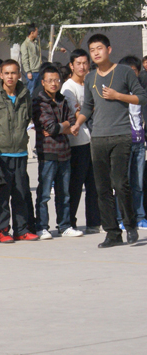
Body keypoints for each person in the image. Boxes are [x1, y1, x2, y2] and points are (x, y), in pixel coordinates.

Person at [70, 34, 146, 247]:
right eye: (92, 49)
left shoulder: (124, 72)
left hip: (121, 135)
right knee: (102, 188)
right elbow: (88, 106)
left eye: (99, 48)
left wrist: (118, 96)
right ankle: (112, 233)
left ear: (109, 50)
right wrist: (78, 123)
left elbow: (142, 97)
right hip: (98, 137)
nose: (96, 53)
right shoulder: (90, 77)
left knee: (120, 184)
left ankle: (130, 225)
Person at [0, 59, 39, 243]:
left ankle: (21, 230)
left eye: (13, 73)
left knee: (21, 194)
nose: (10, 77)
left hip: (20, 152)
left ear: (19, 74)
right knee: (1, 196)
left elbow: (28, 118)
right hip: (0, 154)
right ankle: (2, 230)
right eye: (6, 73)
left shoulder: (25, 94)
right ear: (1, 75)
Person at [32, 65, 83, 240]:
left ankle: (64, 225)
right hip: (47, 152)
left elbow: (71, 122)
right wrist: (64, 127)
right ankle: (41, 227)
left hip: (64, 152)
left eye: (56, 80)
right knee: (44, 194)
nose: (54, 83)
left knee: (64, 193)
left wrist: (61, 127)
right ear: (43, 82)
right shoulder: (39, 102)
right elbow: (50, 127)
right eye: (50, 80)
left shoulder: (63, 100)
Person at [61, 49, 101, 234]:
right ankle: (69, 222)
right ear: (71, 65)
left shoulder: (91, 83)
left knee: (94, 184)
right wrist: (92, 110)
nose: (82, 67)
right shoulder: (68, 88)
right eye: (78, 63)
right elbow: (77, 114)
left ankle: (94, 222)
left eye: (85, 63)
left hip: (93, 139)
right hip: (77, 142)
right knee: (75, 185)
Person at [116, 55, 147, 230]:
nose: (131, 75)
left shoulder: (140, 93)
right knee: (123, 184)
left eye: (134, 71)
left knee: (138, 183)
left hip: (139, 143)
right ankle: (122, 218)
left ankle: (140, 216)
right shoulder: (116, 94)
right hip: (123, 142)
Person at [21, 24, 42, 95]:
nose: (37, 33)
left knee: (38, 91)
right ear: (32, 32)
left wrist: (59, 49)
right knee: (30, 92)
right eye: (36, 31)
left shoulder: (36, 42)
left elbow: (46, 46)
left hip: (39, 71)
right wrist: (28, 71)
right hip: (32, 72)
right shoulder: (25, 44)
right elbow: (25, 59)